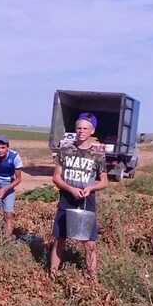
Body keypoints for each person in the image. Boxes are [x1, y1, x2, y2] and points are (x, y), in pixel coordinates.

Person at [50, 112, 109, 278]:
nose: (81, 131)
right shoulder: (65, 150)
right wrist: (70, 189)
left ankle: (92, 279)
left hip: (86, 201)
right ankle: (52, 276)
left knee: (89, 244)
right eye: (79, 128)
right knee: (59, 239)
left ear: (92, 131)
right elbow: (56, 177)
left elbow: (104, 182)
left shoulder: (98, 154)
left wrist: (90, 188)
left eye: (85, 128)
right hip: (66, 199)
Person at [0, 135, 23, 238]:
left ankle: (7, 240)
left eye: (3, 147)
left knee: (8, 214)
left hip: (8, 184)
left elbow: (18, 179)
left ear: (7, 147)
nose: (0, 150)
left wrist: (5, 189)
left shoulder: (15, 157)